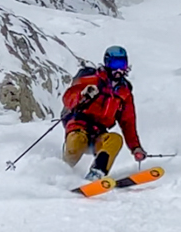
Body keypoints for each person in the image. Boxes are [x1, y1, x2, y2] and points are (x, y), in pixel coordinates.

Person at [62, 45, 147, 180]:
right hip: (79, 126)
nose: (118, 70)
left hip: (99, 133)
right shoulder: (91, 79)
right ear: (107, 63)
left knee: (115, 140)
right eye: (115, 64)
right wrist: (83, 94)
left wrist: (135, 147)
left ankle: (97, 173)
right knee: (76, 141)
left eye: (122, 65)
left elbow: (128, 122)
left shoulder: (124, 92)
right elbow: (68, 98)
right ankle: (62, 172)